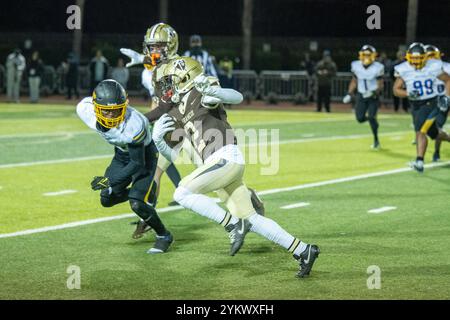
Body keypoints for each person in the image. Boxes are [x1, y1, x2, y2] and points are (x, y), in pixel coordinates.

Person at [150, 56, 320, 278]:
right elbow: (170, 154)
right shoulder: (177, 111)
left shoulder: (200, 90)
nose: (168, 86)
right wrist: (159, 140)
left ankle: (231, 225)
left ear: (185, 77)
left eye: (171, 80)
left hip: (224, 157)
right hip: (221, 164)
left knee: (182, 192)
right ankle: (303, 250)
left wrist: (215, 93)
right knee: (251, 219)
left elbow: (236, 96)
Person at [76, 79, 173, 253]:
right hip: (121, 154)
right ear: (96, 108)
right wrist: (109, 183)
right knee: (106, 199)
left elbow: (137, 163)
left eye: (116, 111)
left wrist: (107, 181)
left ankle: (163, 235)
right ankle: (144, 194)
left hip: (144, 156)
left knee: (136, 204)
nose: (111, 116)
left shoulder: (134, 125)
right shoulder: (85, 109)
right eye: (106, 111)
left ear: (125, 106)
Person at [393, 42, 450, 173]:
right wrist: (408, 93)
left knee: (421, 130)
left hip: (432, 102)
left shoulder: (433, 66)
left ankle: (419, 161)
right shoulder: (403, 69)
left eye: (419, 59)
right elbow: (396, 90)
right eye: (414, 59)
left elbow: (448, 80)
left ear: (425, 58)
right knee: (435, 134)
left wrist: (447, 97)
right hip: (416, 105)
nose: (416, 62)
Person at [343, 45, 384, 149]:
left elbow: (380, 85)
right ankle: (373, 121)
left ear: (373, 56)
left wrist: (373, 93)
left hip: (372, 96)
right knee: (360, 118)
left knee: (371, 116)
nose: (366, 57)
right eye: (364, 55)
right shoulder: (356, 65)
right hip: (361, 95)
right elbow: (354, 81)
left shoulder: (378, 67)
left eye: (368, 55)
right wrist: (349, 93)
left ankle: (376, 140)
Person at [423, 45, 450, 162]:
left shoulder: (447, 67)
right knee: (429, 129)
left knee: (437, 127)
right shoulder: (422, 69)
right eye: (428, 57)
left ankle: (437, 152)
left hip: (443, 101)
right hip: (429, 102)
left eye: (433, 56)